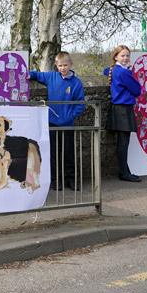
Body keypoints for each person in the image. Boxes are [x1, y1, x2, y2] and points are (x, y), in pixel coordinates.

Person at [29, 51, 86, 190]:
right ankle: (55, 180)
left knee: (69, 153)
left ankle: (71, 179)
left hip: (67, 124)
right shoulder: (51, 77)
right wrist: (28, 74)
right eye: (60, 65)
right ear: (56, 65)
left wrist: (69, 117)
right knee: (53, 154)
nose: (63, 68)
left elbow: (80, 104)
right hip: (52, 123)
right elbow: (36, 74)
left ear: (70, 64)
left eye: (65, 65)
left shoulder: (76, 83)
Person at [105, 45, 142, 182]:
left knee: (122, 142)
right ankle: (124, 173)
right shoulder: (123, 72)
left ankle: (124, 170)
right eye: (122, 55)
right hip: (123, 109)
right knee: (123, 143)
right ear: (116, 57)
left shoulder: (114, 70)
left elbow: (106, 71)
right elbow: (137, 90)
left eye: (127, 55)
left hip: (119, 108)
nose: (126, 58)